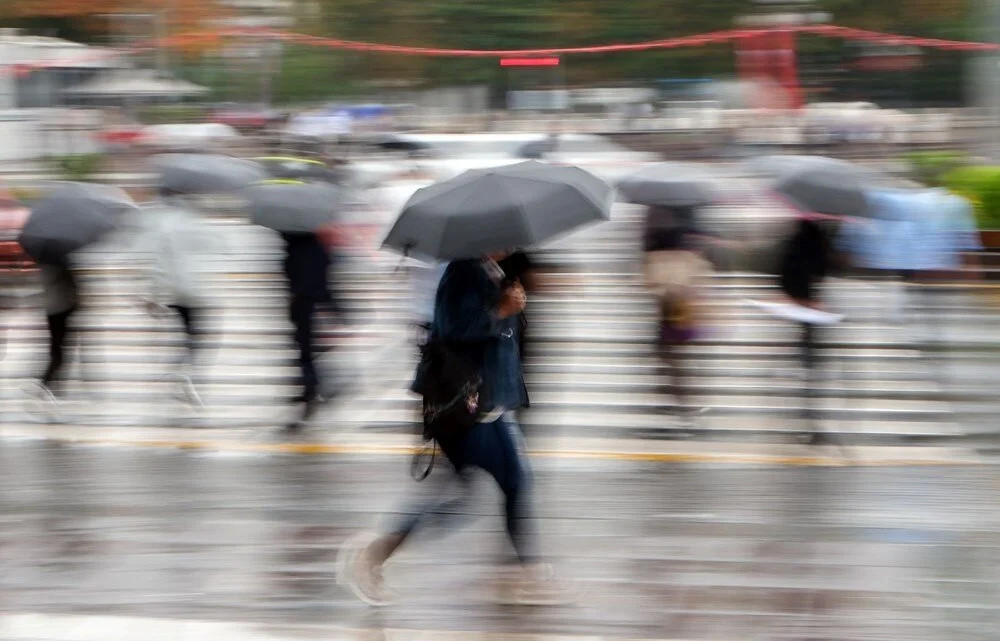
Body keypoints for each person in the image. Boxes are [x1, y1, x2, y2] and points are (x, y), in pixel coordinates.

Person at [338, 253, 564, 606]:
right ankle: (375, 553)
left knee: (502, 486)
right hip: (468, 406)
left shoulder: (490, 270)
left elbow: (500, 335)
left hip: (490, 403)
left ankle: (530, 572)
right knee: (496, 488)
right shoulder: (462, 271)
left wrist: (511, 304)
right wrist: (501, 311)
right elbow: (452, 327)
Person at [139, 188, 213, 407]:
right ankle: (185, 372)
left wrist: (153, 296)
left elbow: (159, 266)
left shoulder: (162, 226)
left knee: (187, 333)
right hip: (196, 289)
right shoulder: (195, 222)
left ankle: (181, 371)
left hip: (175, 290)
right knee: (197, 336)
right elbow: (207, 253)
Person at [641, 206, 711, 421]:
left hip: (672, 304)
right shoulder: (686, 223)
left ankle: (685, 400)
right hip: (679, 302)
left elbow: (651, 280)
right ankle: (683, 396)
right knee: (673, 352)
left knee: (672, 354)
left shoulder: (656, 224)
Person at [282, 231, 333, 430]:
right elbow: (325, 266)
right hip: (312, 299)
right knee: (307, 349)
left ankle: (311, 386)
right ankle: (311, 386)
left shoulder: (295, 245)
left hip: (303, 302)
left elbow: (291, 271)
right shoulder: (315, 243)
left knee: (305, 350)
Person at [32, 258, 78, 402]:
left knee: (55, 348)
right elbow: (72, 290)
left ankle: (52, 383)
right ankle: (48, 382)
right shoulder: (63, 267)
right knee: (60, 350)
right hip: (63, 310)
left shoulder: (43, 267)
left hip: (51, 310)